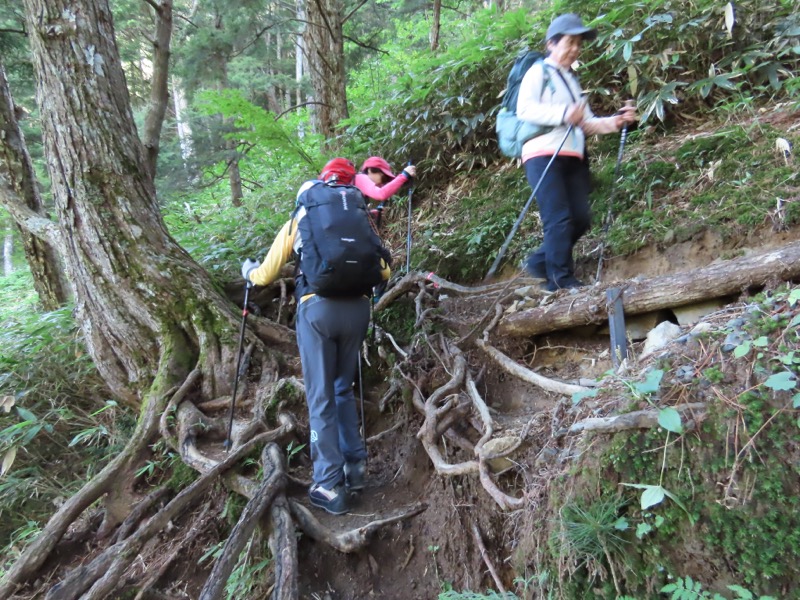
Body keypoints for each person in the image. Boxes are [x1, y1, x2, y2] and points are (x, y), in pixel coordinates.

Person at [241, 158, 391, 515]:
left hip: (317, 311)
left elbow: (263, 276)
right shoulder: (358, 213)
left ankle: (328, 484)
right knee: (342, 388)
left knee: (320, 395)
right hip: (357, 310)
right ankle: (355, 469)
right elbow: (384, 269)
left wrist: (247, 269)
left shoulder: (304, 213)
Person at [516, 13, 637, 291]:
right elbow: (525, 110)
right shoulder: (538, 72)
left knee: (580, 218)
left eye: (578, 44)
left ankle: (539, 262)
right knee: (557, 218)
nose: (575, 49)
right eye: (569, 42)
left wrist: (617, 121)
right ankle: (559, 279)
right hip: (542, 154)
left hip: (573, 156)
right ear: (551, 43)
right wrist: (562, 114)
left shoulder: (571, 80)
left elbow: (586, 123)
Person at [355, 157, 416, 225]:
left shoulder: (356, 184)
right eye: (384, 178)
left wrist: (370, 214)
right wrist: (404, 175)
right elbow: (381, 194)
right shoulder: (361, 178)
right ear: (369, 170)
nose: (382, 184)